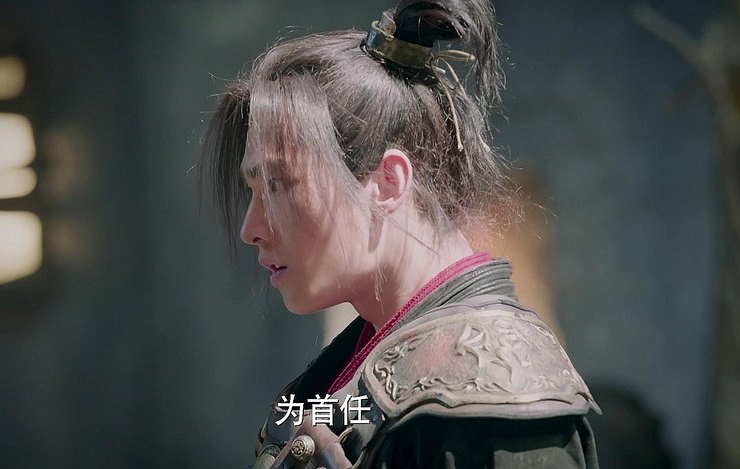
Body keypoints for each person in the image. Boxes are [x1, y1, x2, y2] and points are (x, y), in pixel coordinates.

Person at [202, 0, 600, 467]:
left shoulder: (494, 398)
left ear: (387, 183)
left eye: (279, 185)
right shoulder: (354, 367)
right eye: (253, 189)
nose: (250, 229)